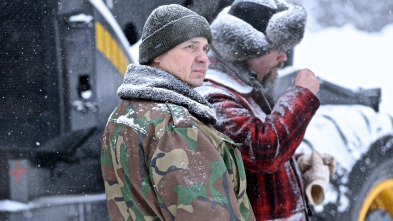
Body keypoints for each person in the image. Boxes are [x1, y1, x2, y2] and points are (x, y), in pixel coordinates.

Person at [100, 4, 255, 221]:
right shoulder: (177, 126)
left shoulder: (123, 114)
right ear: (157, 55)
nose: (203, 58)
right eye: (191, 47)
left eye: (205, 48)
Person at [196, 0, 320, 220]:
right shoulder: (211, 94)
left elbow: (248, 164)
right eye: (277, 48)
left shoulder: (247, 85)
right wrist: (302, 95)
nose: (284, 56)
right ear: (244, 51)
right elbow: (263, 150)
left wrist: (297, 164)